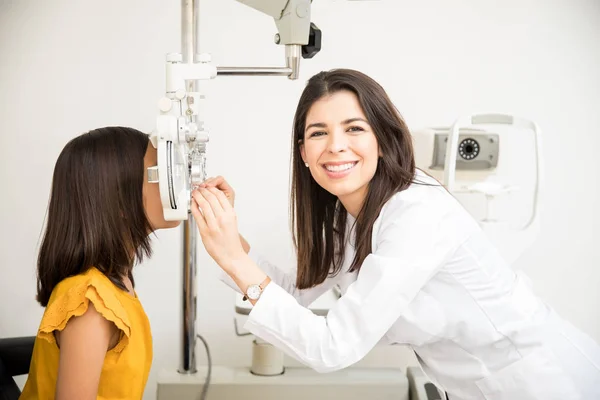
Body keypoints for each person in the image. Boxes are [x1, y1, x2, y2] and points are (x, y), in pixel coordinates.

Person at [191, 69, 600, 400]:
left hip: (543, 382)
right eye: (318, 133)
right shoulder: (347, 214)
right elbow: (297, 294)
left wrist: (234, 259)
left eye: (354, 129)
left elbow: (333, 347)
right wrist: (224, 233)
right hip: (476, 386)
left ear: (383, 140)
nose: (335, 146)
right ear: (303, 152)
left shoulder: (416, 213)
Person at [20, 127, 180, 400]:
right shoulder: (91, 304)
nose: (170, 183)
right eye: (156, 173)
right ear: (117, 198)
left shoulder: (119, 283)